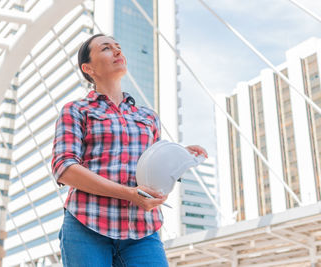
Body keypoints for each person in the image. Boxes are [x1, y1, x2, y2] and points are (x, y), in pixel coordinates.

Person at [51, 33, 208, 267]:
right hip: (87, 225)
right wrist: (130, 194)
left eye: (118, 46)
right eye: (106, 48)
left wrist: (180, 156)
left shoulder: (148, 117)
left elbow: (154, 168)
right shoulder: (75, 110)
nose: (117, 51)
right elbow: (64, 168)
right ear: (88, 68)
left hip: (142, 230)